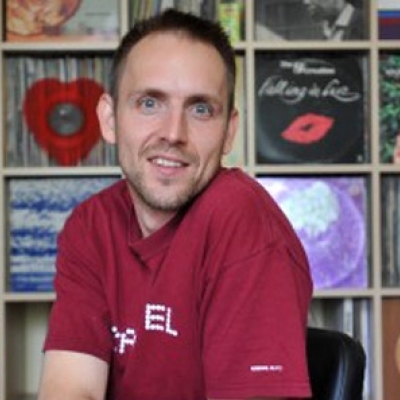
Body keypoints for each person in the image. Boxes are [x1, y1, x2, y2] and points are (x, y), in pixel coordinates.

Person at [37, 8, 313, 400]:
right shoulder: (92, 224)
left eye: (201, 109)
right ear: (110, 119)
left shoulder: (240, 219)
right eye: (150, 103)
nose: (173, 133)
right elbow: (71, 388)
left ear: (229, 131)